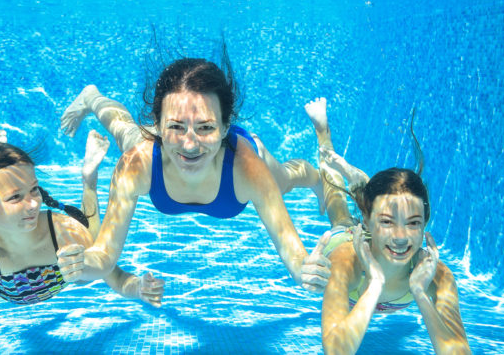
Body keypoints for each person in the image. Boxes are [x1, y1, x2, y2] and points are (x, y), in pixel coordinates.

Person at [60, 57, 334, 293]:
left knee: (283, 181)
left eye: (205, 128)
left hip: (241, 156)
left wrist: (304, 270)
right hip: (159, 151)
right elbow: (105, 255)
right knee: (124, 131)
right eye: (176, 126)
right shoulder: (138, 163)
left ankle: (314, 178)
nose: (190, 145)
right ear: (156, 125)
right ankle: (92, 97)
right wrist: (83, 263)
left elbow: (295, 255)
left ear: (227, 127)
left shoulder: (247, 169)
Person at [0, 129, 164, 341]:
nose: (34, 204)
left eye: (34, 190)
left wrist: (138, 287)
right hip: (3, 268)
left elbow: (112, 273)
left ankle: (89, 180)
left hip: (64, 262)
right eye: (15, 197)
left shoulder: (62, 230)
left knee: (90, 256)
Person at [317, 143, 470, 354]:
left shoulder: (437, 275)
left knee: (374, 197)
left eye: (413, 222)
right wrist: (375, 283)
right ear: (367, 222)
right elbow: (336, 351)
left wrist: (420, 293)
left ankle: (360, 184)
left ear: (425, 223)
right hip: (347, 238)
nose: (400, 238)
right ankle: (326, 145)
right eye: (388, 222)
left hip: (374, 228)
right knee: (340, 213)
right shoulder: (346, 261)